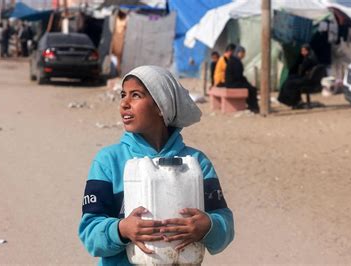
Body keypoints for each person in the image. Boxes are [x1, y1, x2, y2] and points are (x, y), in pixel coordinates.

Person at [78, 65, 234, 265]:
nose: (124, 103)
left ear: (161, 107)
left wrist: (208, 226)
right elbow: (89, 233)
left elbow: (225, 226)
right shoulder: (108, 161)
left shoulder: (196, 163)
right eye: (123, 95)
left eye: (136, 95)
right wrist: (122, 229)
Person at [278, 44, 319, 108]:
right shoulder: (311, 57)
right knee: (290, 79)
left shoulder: (308, 59)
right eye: (301, 51)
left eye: (304, 51)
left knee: (289, 83)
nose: (302, 52)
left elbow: (302, 70)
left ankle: (293, 102)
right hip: (308, 79)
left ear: (308, 51)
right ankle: (295, 101)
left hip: (307, 80)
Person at [225, 46, 260, 113]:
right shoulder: (236, 62)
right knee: (252, 89)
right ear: (239, 53)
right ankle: (254, 107)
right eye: (243, 53)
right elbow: (238, 76)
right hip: (233, 84)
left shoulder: (233, 60)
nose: (244, 55)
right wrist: (246, 82)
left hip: (230, 83)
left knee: (249, 88)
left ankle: (252, 105)